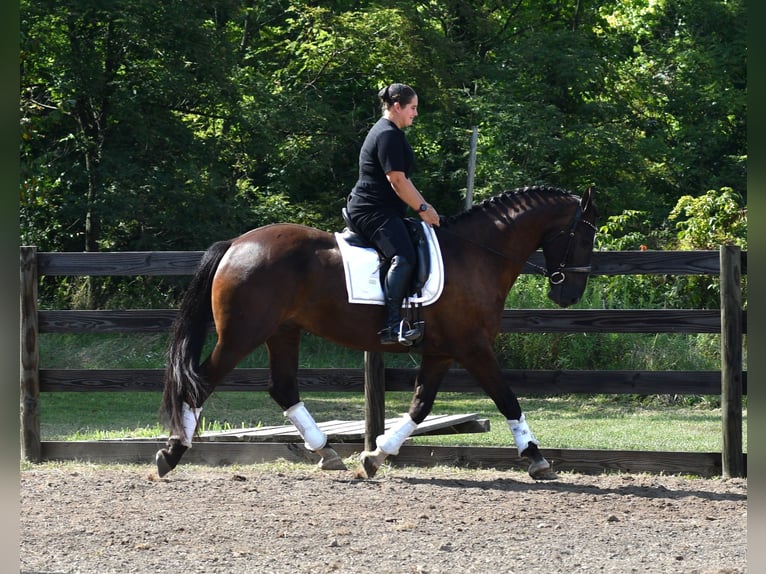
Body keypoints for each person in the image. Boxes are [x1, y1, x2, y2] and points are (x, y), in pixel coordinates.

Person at [346, 83, 441, 345]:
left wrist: (426, 206)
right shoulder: (388, 135)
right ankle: (391, 325)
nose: (415, 113)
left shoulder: (392, 132)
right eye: (412, 108)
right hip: (372, 210)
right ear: (397, 106)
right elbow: (397, 181)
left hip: (382, 208)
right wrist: (422, 209)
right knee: (403, 256)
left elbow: (405, 181)